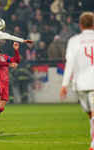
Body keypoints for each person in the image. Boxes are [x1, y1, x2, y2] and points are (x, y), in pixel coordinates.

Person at [59, 12, 94, 150]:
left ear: (80, 25)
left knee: (91, 113)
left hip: (81, 85)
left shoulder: (74, 41)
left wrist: (64, 85)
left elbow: (70, 64)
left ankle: (93, 144)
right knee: (91, 114)